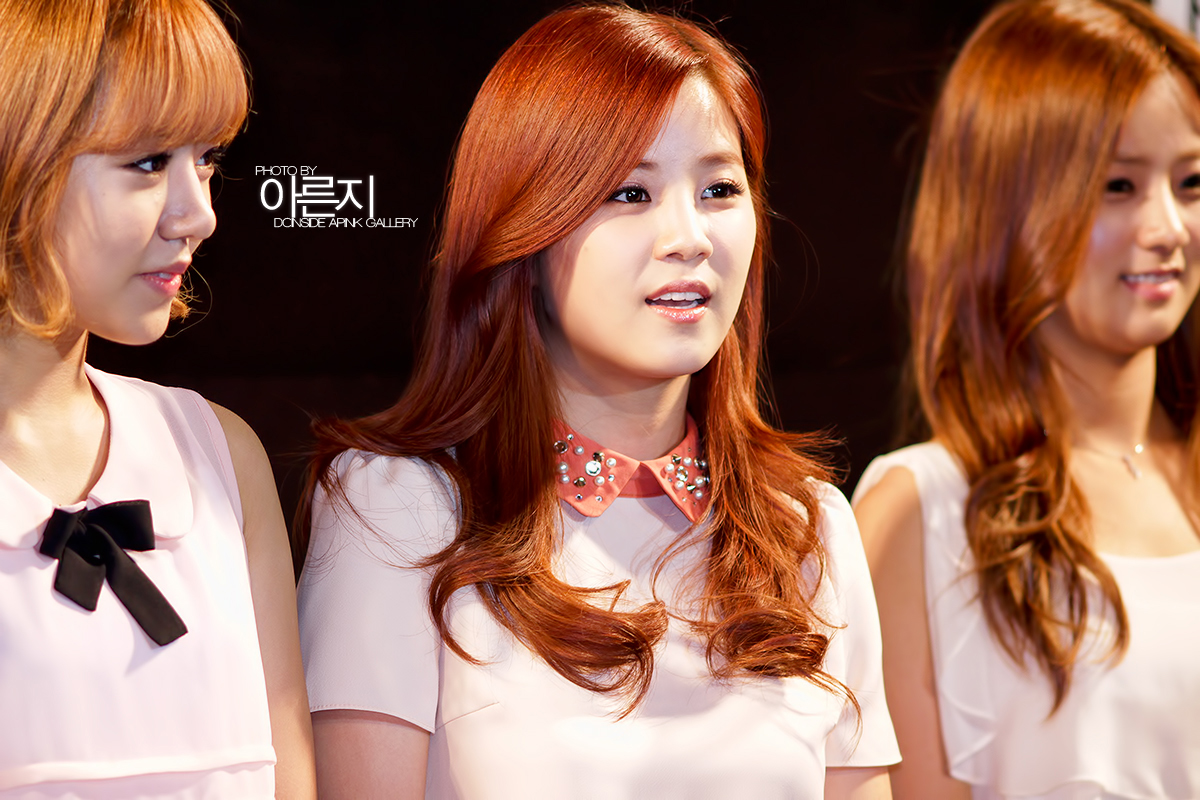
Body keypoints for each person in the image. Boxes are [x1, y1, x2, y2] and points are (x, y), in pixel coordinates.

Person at [295, 5, 899, 799]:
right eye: (629, 192)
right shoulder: (400, 507)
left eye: (719, 188)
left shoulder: (806, 526)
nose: (689, 236)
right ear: (525, 229)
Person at [853, 0, 1200, 797]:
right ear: (1005, 203)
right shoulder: (921, 512)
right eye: (1117, 185)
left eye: (1191, 182)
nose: (1168, 227)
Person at [0, 0, 315, 796]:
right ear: (18, 159)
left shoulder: (220, 455)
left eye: (205, 159)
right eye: (147, 163)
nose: (199, 214)